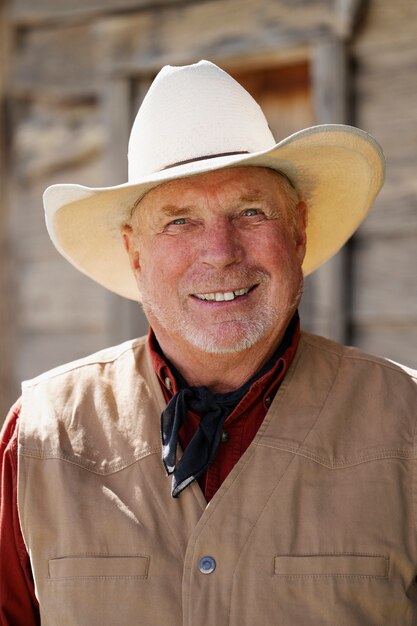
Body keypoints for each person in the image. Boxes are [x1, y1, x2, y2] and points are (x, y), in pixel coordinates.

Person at [0, 60, 416, 626]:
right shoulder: (39, 439)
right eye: (179, 221)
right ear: (135, 253)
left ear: (297, 230)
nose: (220, 252)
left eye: (250, 211)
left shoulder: (407, 424)